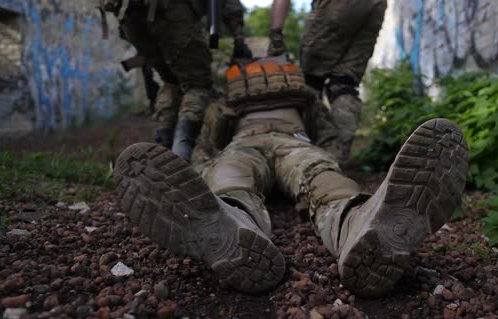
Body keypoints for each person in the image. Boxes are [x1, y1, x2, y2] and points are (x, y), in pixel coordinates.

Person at [114, 56, 469, 297]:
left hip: (279, 143)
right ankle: (235, 221)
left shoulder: (297, 100)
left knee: (308, 172)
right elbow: (210, 144)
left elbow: (209, 146)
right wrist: (202, 168)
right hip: (267, 144)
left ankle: (358, 225)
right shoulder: (235, 105)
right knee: (258, 173)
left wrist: (204, 164)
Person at [100, 0, 252, 161]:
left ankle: (162, 149)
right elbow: (230, 4)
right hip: (172, 12)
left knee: (171, 81)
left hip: (129, 16)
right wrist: (239, 37)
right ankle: (182, 152)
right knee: (197, 85)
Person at [269, 0, 387, 161]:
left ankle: (308, 153)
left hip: (335, 7)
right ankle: (338, 152)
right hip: (375, 6)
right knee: (344, 84)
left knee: (311, 82)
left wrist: (276, 35)